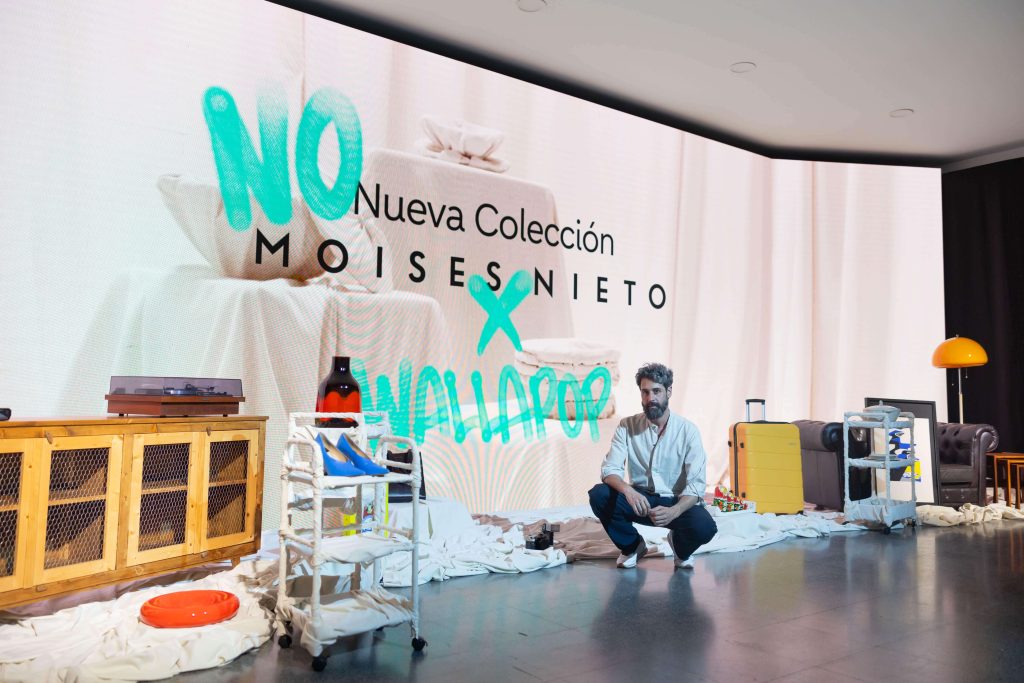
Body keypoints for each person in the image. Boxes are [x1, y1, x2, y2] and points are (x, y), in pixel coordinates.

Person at [589, 362, 718, 569]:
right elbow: (610, 469)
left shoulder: (688, 431)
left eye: (656, 391)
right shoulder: (626, 426)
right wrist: (629, 491)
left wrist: (675, 511)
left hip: (675, 502)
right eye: (645, 392)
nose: (650, 398)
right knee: (599, 494)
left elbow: (696, 486)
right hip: (640, 500)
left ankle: (680, 547)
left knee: (705, 526)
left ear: (668, 392)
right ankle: (633, 546)